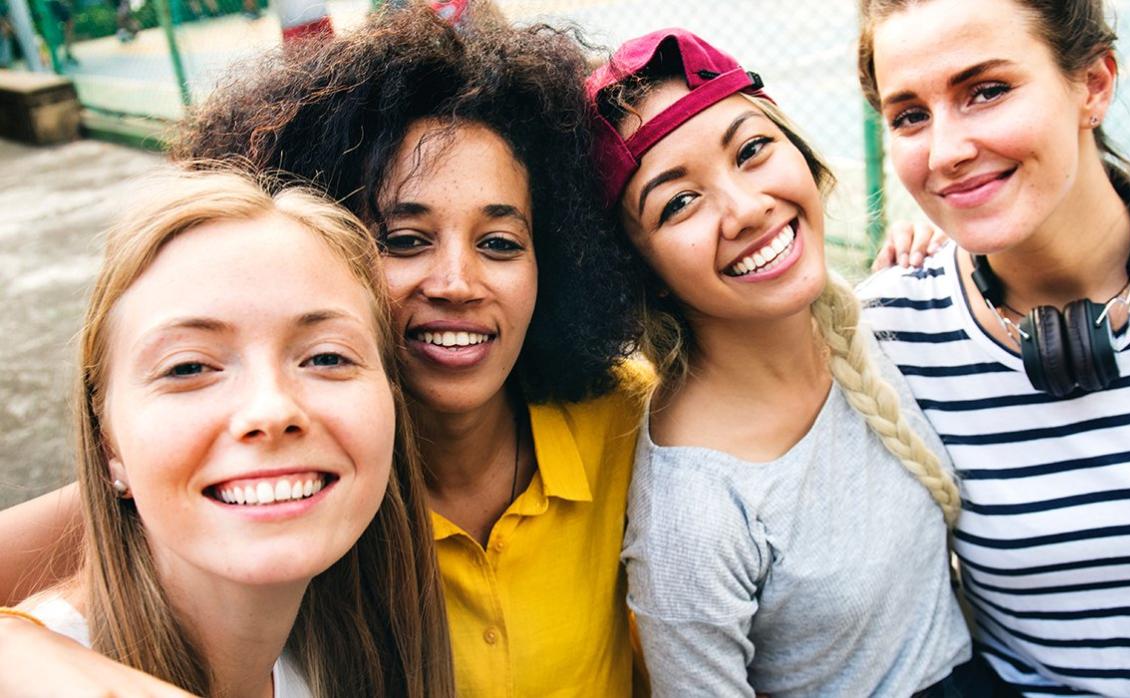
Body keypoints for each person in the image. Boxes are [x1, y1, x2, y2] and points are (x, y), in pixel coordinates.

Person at [0, 5, 648, 696]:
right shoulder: (280, 491)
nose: (459, 283)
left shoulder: (626, 415)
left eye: (500, 244)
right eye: (402, 240)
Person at [585, 29, 1001, 697]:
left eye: (751, 151)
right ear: (644, 271)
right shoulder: (695, 510)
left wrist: (942, 255)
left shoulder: (885, 327)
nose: (746, 210)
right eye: (678, 202)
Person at [855, 0, 1130, 694]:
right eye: (909, 114)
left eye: (986, 91)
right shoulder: (886, 338)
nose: (944, 152)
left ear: (1092, 84)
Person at [1, 167, 453, 696]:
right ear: (109, 448)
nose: (271, 409)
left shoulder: (348, 652)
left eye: (327, 356)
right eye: (188, 367)